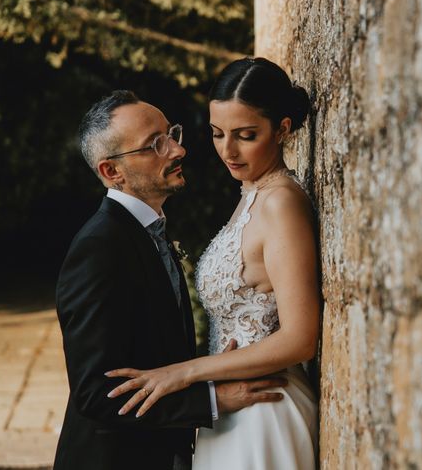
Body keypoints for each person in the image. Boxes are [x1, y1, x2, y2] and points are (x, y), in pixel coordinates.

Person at [105, 58, 321, 469]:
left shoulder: (282, 205)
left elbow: (299, 338)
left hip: (266, 409)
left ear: (283, 129)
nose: (228, 150)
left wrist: (184, 373)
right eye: (218, 134)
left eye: (246, 135)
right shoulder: (251, 193)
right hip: (230, 407)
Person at [55, 90, 288, 470]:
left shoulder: (147, 229)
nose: (177, 151)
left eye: (171, 135)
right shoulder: (98, 249)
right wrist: (212, 401)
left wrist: (208, 374)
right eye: (155, 145)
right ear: (112, 172)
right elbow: (96, 394)